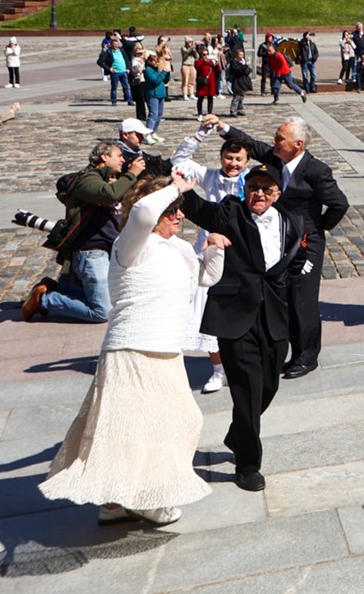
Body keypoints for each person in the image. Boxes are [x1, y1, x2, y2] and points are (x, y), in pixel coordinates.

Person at [40, 174, 215, 526]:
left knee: (144, 427)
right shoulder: (132, 242)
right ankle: (145, 500)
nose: (180, 215)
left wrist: (214, 252)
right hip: (133, 348)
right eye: (174, 210)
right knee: (146, 427)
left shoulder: (177, 249)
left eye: (180, 209)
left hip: (165, 348)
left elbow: (205, 279)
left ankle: (115, 502)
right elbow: (145, 213)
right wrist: (175, 188)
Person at [179, 165, 310, 491]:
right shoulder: (229, 213)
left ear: (277, 194)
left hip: (275, 318)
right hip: (234, 317)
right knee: (248, 389)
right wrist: (178, 187)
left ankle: (239, 433)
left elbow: (295, 258)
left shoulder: (292, 220)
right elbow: (195, 207)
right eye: (253, 187)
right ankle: (248, 464)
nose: (260, 194)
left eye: (267, 189)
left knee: (268, 387)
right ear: (244, 189)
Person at [204, 113, 348, 379]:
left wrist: (317, 229)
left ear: (298, 145)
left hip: (306, 243)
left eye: (280, 139)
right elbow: (252, 144)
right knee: (283, 297)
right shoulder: (276, 158)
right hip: (281, 240)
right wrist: (223, 127)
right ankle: (290, 351)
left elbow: (339, 203)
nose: (275, 142)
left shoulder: (316, 170)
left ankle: (307, 356)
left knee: (302, 299)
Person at [171, 123, 253, 394]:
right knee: (207, 311)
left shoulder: (254, 179)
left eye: (238, 159)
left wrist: (227, 129)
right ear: (221, 158)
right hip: (210, 252)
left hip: (244, 253)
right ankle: (218, 370)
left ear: (246, 160)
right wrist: (201, 134)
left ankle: (245, 361)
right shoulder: (210, 177)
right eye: (228, 158)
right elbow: (179, 161)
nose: (232, 163)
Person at [26, 142, 145, 323]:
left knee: (114, 298)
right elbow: (108, 195)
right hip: (91, 251)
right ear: (104, 157)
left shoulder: (110, 180)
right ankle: (44, 299)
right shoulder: (86, 179)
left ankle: (57, 289)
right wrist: (132, 174)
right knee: (102, 312)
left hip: (109, 249)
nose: (123, 160)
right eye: (119, 155)